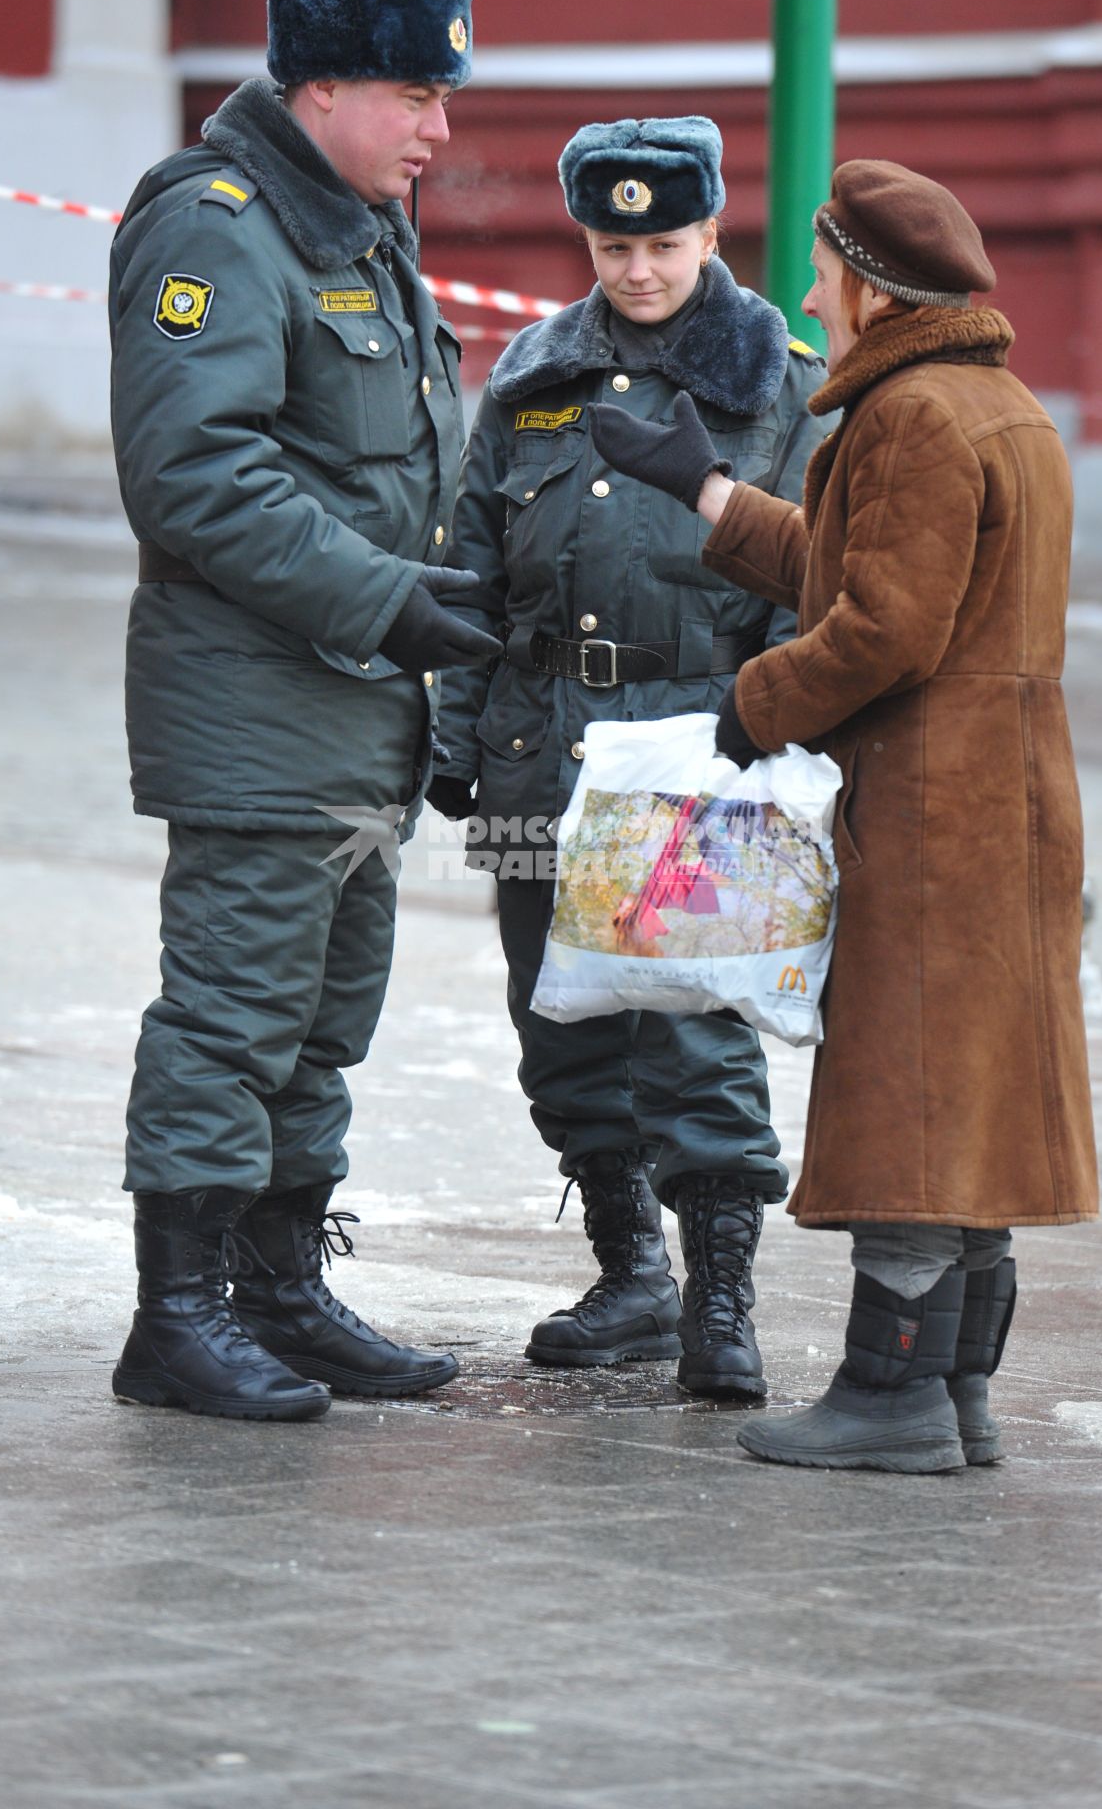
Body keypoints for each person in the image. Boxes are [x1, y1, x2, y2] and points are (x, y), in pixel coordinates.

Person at [590, 159, 1099, 1469]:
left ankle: (889, 1401)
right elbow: (863, 566)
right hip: (1003, 800)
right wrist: (707, 490)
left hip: (935, 810)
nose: (809, 295)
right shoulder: (997, 407)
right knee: (971, 1102)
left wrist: (748, 709)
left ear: (869, 286)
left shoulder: (914, 416)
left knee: (916, 1100)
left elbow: (881, 624)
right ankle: (955, 1399)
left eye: (822, 273)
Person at [108, 0, 501, 1422]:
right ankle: (180, 1317)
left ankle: (277, 1291)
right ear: (318, 86)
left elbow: (397, 474)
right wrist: (388, 602)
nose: (436, 130)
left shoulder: (353, 231)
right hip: (259, 706)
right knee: (230, 1018)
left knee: (321, 1026)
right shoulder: (212, 229)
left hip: (358, 707)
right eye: (413, 94)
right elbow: (193, 477)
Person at [432, 117, 830, 1399]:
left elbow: (802, 580)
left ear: (713, 233)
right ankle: (630, 1278)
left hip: (696, 748)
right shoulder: (532, 375)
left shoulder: (779, 385)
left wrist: (765, 731)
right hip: (533, 751)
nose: (638, 270)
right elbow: (471, 569)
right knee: (556, 1023)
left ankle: (721, 1299)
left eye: (661, 243)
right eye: (612, 245)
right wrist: (448, 736)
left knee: (696, 1024)